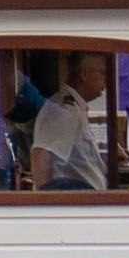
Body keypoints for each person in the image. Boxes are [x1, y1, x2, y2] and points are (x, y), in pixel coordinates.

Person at [30, 55, 110, 189]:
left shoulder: (74, 108)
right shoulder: (64, 111)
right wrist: (44, 205)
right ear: (84, 75)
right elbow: (42, 158)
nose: (106, 80)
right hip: (75, 204)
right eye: (102, 73)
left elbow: (77, 161)